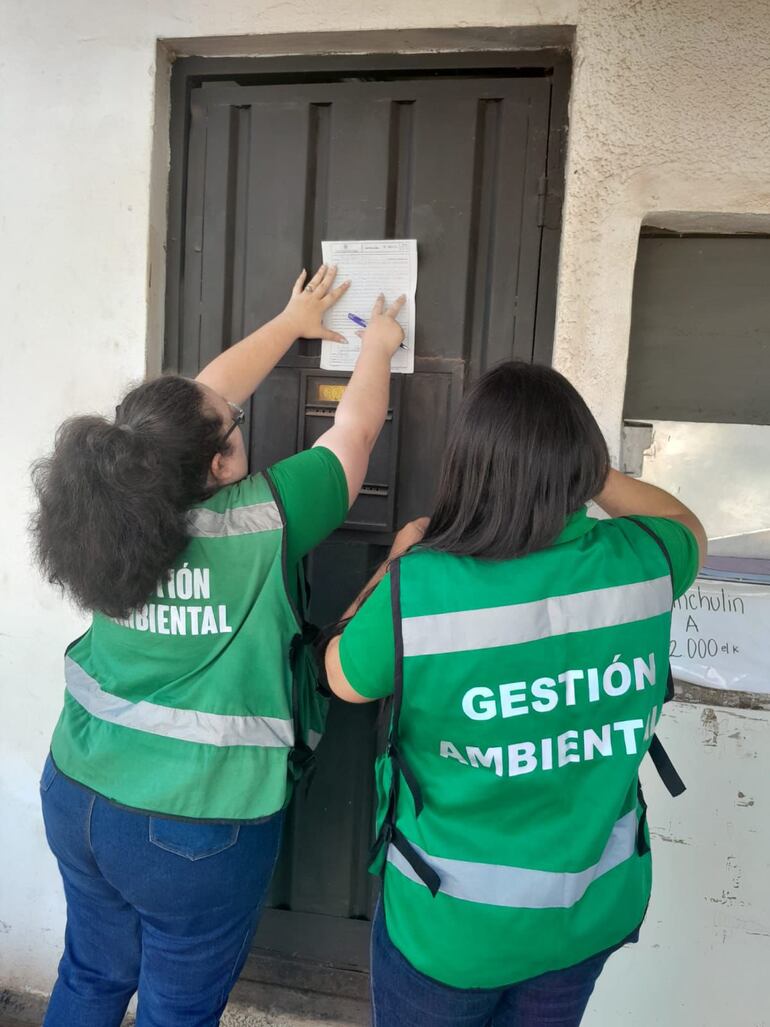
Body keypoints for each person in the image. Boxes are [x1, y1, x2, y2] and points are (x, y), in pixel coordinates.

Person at [31, 263, 405, 1027]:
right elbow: (356, 429)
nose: (240, 423)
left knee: (93, 975)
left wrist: (292, 322)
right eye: (233, 430)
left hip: (79, 791)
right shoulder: (266, 517)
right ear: (216, 463)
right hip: (192, 828)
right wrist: (381, 346)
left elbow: (200, 404)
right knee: (177, 1011)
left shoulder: (108, 513)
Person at [325, 361, 706, 1027]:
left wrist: (395, 560)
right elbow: (684, 520)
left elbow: (341, 675)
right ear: (582, 464)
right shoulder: (646, 560)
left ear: (471, 466)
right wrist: (584, 467)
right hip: (584, 917)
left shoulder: (418, 590)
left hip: (450, 932)